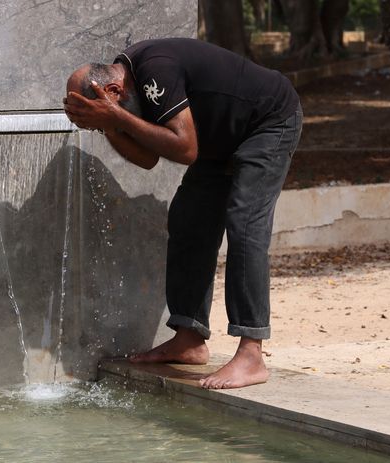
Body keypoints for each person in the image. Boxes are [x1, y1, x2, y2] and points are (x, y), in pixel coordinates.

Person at [63, 37, 302, 389]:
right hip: (220, 138)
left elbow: (186, 149)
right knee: (188, 220)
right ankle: (189, 338)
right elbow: (147, 159)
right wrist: (113, 123)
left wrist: (114, 117)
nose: (101, 129)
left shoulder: (155, 71)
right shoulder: (125, 85)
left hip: (267, 121)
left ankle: (251, 354)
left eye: (98, 121)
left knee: (245, 225)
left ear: (111, 90)